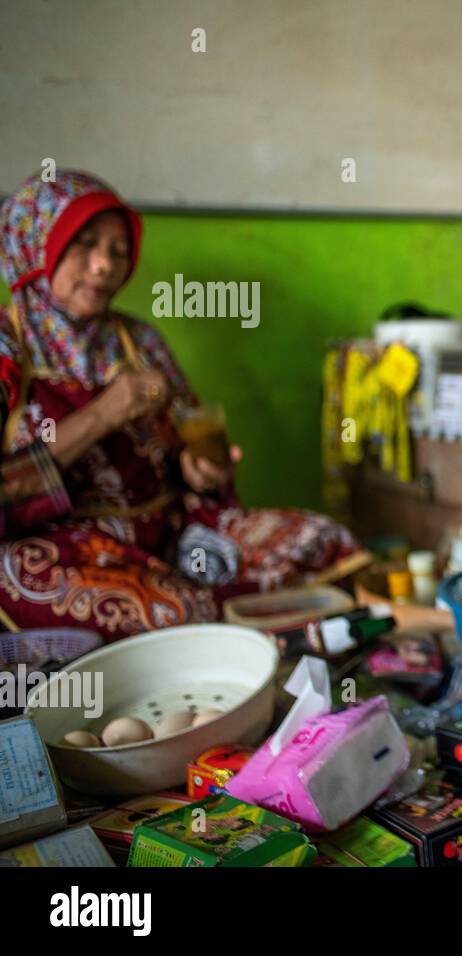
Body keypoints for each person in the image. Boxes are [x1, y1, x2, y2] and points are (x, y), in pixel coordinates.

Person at [0, 171, 367, 639]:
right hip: (55, 548)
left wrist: (200, 473)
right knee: (175, 610)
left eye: (118, 250)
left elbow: (188, 451)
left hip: (169, 532)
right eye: (84, 243)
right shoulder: (7, 351)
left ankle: (311, 651)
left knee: (321, 539)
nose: (104, 265)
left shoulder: (139, 342)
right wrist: (103, 414)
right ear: (34, 247)